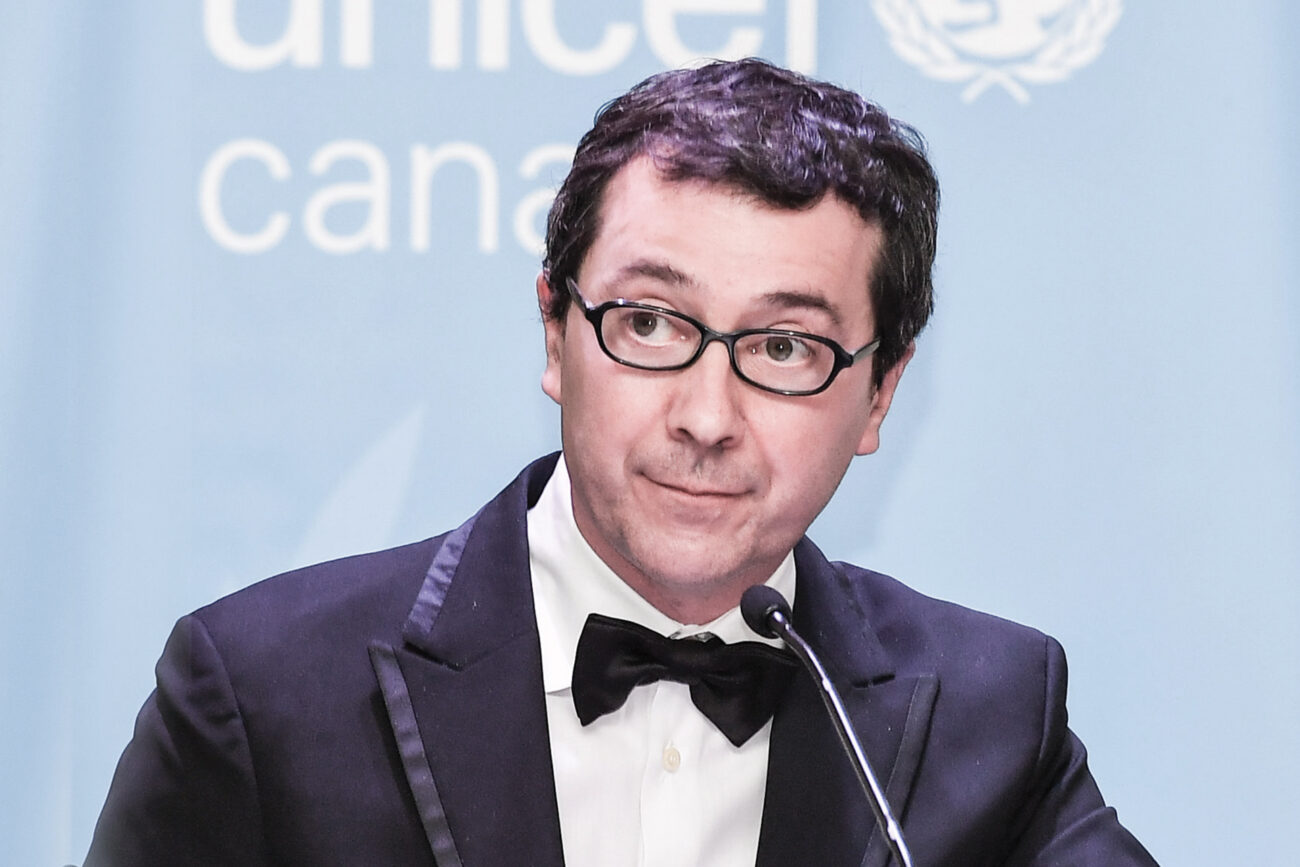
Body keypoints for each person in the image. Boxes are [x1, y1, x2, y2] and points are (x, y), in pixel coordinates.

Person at [85, 58, 1156, 866]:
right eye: (649, 324)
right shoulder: (263, 696)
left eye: (785, 347)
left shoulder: (991, 716)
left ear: (879, 392)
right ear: (556, 335)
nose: (706, 416)